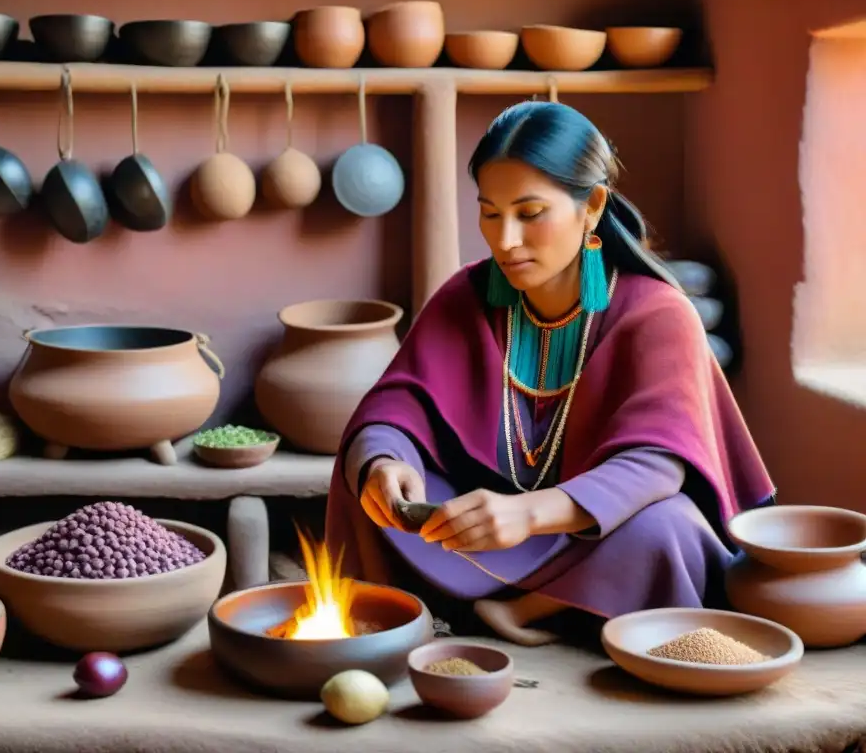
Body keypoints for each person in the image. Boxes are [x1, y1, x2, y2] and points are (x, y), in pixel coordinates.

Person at [324, 100, 775, 646]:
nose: (505, 239)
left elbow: (659, 464)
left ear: (592, 207)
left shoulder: (658, 312)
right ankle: (499, 609)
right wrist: (383, 459)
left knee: (667, 527)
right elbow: (395, 406)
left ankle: (529, 610)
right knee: (362, 484)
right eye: (490, 212)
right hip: (482, 530)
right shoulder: (467, 294)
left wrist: (531, 514)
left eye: (530, 212)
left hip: (592, 529)